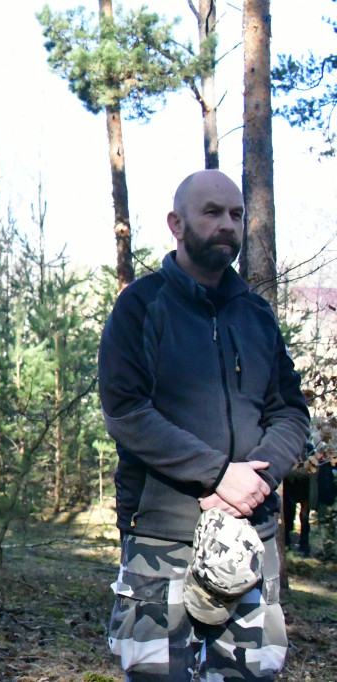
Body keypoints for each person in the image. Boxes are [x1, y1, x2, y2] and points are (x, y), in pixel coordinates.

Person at [98, 169, 310, 681]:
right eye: (212, 212)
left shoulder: (256, 315)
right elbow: (126, 411)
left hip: (251, 540)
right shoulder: (141, 307)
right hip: (163, 541)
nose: (227, 225)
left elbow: (290, 412)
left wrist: (255, 481)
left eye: (236, 215)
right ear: (176, 223)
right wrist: (216, 474)